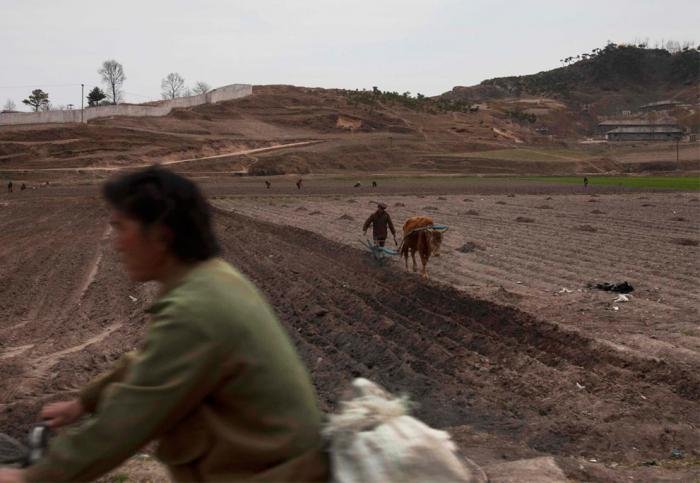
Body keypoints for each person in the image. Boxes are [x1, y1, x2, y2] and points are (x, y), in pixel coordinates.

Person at [0, 166, 328, 483]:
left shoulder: (198, 309)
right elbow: (150, 361)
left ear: (160, 234)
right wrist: (83, 402)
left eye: (121, 228)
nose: (116, 243)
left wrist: (34, 478)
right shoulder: (213, 280)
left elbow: (127, 419)